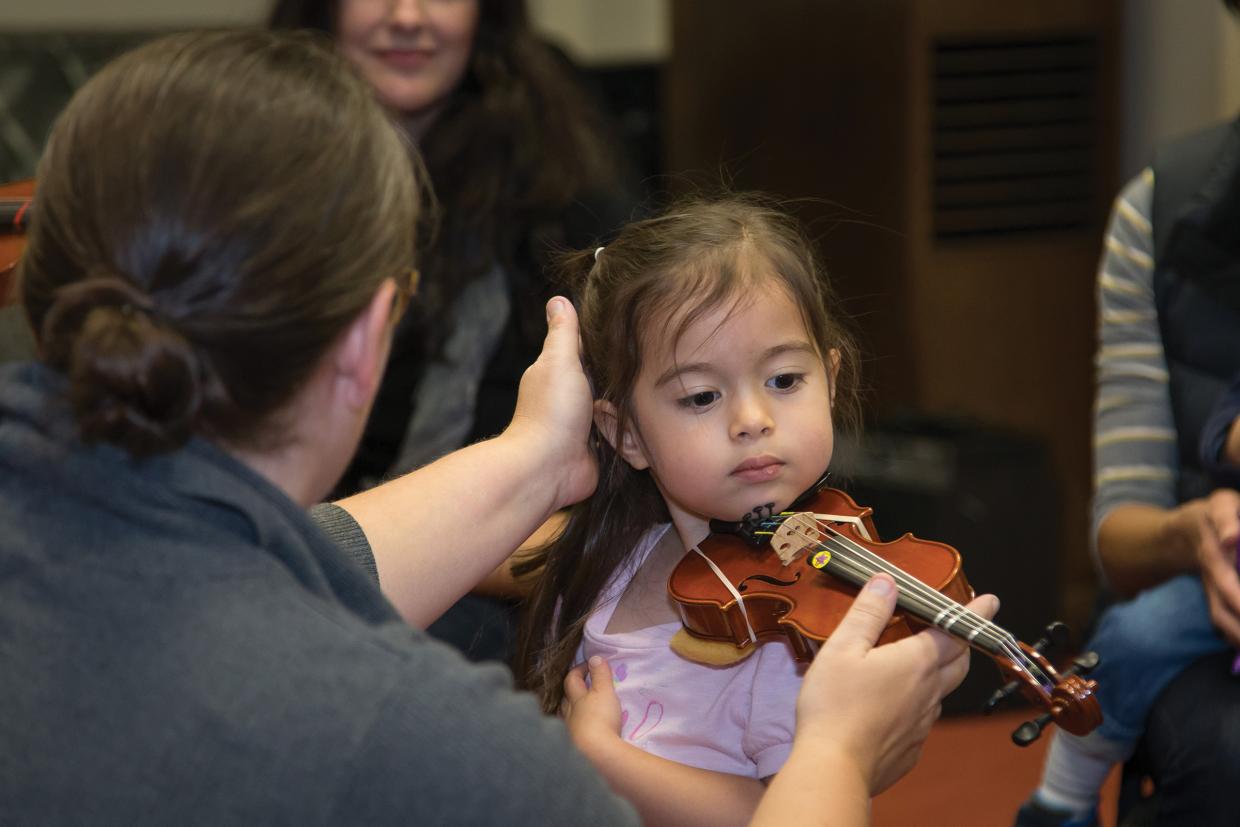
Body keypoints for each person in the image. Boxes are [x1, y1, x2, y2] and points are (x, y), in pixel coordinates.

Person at [0, 29, 985, 826]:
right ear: (367, 342)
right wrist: (833, 754)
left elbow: (294, 554)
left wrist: (535, 461)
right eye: (696, 393)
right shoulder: (433, 747)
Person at [512, 197, 1001, 827]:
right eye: (702, 396)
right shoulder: (612, 559)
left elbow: (777, 809)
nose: (752, 420)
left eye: (785, 381)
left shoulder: (796, 637)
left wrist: (603, 758)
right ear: (625, 433)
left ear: (830, 377)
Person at [268, 0, 639, 660]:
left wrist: (493, 534)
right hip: (293, 542)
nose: (408, 16)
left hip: (506, 564)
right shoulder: (259, 167)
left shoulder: (561, 160)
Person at [1015, 13, 1240, 820]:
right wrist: (1199, 532)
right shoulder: (1163, 209)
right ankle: (1062, 794)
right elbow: (1123, 534)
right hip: (1214, 578)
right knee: (1137, 645)